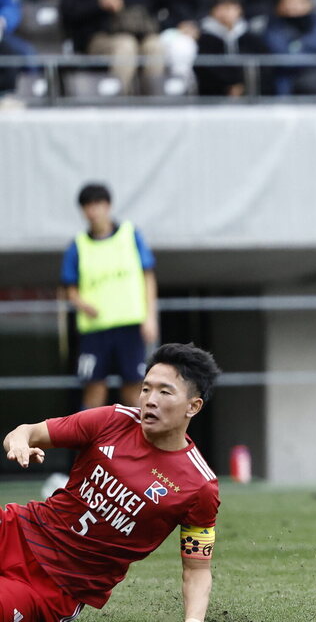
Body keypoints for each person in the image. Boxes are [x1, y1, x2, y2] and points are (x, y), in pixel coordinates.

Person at [1, 343, 221, 620]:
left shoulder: (199, 486)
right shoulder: (111, 420)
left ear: (193, 406)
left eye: (164, 391)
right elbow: (26, 431)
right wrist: (19, 443)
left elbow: (197, 569)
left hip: (55, 588)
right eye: (145, 388)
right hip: (14, 532)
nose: (150, 399)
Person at [61, 182, 159, 410]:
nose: (93, 211)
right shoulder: (78, 245)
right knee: (94, 389)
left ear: (108, 205)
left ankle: (141, 442)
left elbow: (148, 276)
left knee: (135, 387)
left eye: (97, 204)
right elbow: (69, 288)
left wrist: (150, 316)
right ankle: (91, 445)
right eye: (87, 206)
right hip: (94, 330)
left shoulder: (130, 235)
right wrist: (82, 304)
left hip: (130, 326)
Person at [59, 0, 166, 95]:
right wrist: (99, 3)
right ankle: (119, 101)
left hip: (139, 33)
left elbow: (156, 5)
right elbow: (68, 11)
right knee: (126, 45)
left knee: (155, 45)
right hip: (98, 37)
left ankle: (154, 101)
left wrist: (125, 3)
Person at [196, 0, 271, 97]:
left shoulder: (250, 37)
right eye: (222, 8)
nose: (226, 13)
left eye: (230, 8)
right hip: (213, 95)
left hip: (249, 92)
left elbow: (264, 63)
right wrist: (228, 86)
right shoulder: (203, 38)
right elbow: (205, 68)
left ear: (239, 10)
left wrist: (242, 85)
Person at [0, 0, 38, 95]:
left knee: (28, 54)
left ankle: (31, 95)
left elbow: (11, 8)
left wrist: (3, 20)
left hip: (4, 35)